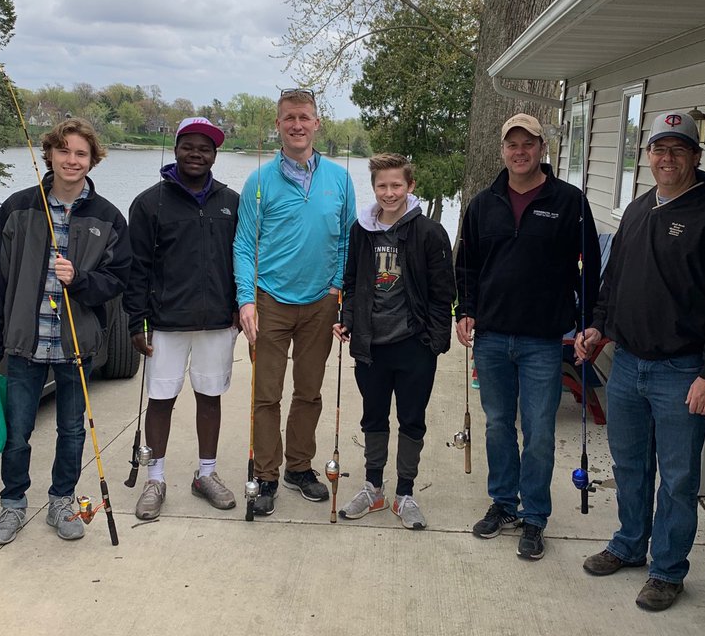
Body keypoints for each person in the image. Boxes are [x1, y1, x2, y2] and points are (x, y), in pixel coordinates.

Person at [576, 111, 705, 611]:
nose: (667, 158)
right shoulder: (638, 210)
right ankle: (630, 544)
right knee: (631, 464)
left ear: (697, 158)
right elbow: (612, 285)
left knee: (678, 477)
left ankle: (667, 570)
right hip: (628, 364)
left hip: (683, 371)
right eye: (659, 149)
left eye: (679, 150)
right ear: (648, 156)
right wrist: (598, 328)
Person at [0, 118, 131, 546]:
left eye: (81, 153)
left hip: (75, 346)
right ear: (49, 153)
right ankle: (13, 504)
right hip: (25, 343)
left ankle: (61, 502)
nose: (72, 160)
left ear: (92, 161)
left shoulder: (108, 217)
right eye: (64, 151)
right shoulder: (18, 208)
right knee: (17, 430)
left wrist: (80, 279)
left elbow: (118, 279)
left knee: (72, 430)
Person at [455, 113, 600, 560]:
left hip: (542, 339)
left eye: (529, 144)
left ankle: (535, 517)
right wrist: (466, 311)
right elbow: (468, 264)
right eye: (512, 145)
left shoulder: (569, 201)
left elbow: (590, 267)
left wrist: (588, 323)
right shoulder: (483, 203)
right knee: (498, 425)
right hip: (493, 337)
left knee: (538, 431)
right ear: (503, 150)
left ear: (542, 148)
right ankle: (503, 502)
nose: (520, 152)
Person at [234, 88, 356, 516]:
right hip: (269, 301)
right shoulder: (259, 182)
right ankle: (266, 474)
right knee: (266, 395)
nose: (297, 125)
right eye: (289, 118)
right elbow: (245, 245)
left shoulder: (340, 179)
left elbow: (347, 240)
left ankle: (298, 467)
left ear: (317, 123)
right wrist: (245, 299)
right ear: (279, 124)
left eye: (305, 117)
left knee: (309, 392)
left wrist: (337, 288)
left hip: (320, 303)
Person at [124, 117, 240, 520]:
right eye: (189, 146)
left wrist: (241, 308)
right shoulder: (148, 202)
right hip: (165, 323)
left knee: (210, 399)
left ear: (215, 154)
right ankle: (155, 479)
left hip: (217, 323)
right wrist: (136, 321)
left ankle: (205, 474)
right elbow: (135, 267)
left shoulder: (231, 201)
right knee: (161, 401)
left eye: (205, 148)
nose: (196, 154)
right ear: (175, 149)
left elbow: (243, 260)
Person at [334, 154, 455, 530]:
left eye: (396, 186)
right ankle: (373, 487)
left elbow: (442, 293)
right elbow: (352, 282)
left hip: (413, 345)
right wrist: (347, 320)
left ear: (410, 187)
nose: (389, 193)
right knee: (373, 416)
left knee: (411, 419)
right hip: (372, 344)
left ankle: (405, 492)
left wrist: (434, 342)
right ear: (373, 188)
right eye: (382, 186)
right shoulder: (361, 230)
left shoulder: (431, 233)